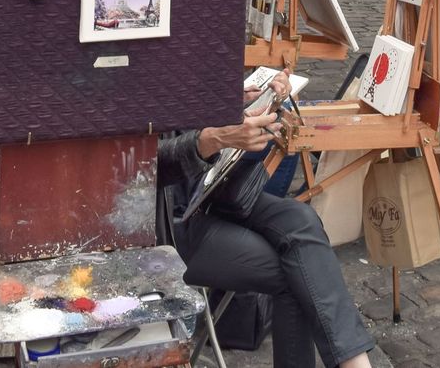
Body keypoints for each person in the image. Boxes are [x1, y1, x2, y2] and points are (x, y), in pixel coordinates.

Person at [160, 83, 374, 368]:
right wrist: (211, 140)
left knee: (300, 218)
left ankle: (355, 363)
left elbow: (181, 106)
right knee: (298, 275)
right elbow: (137, 167)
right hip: (163, 223)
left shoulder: (181, 52)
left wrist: (236, 100)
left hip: (210, 189)